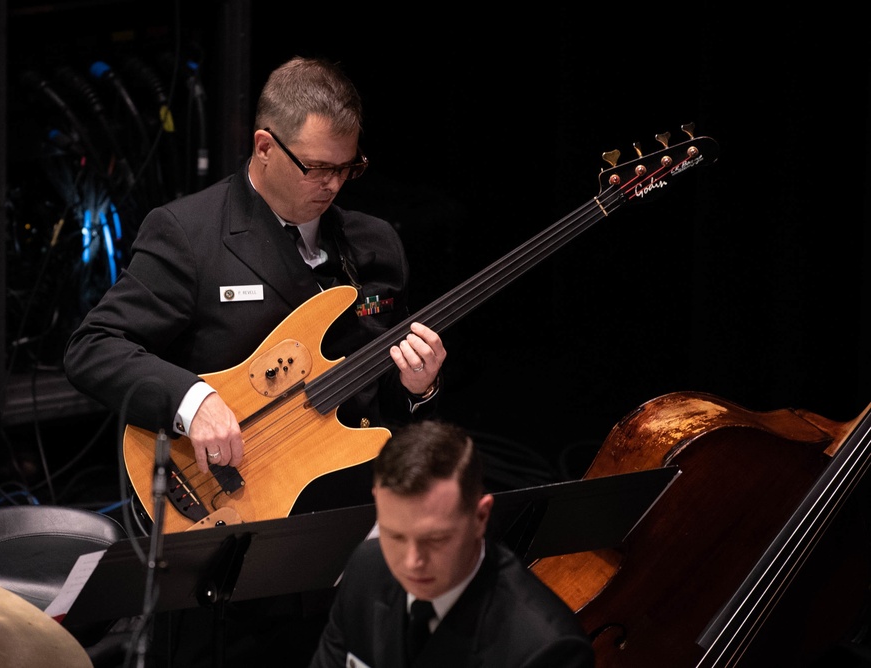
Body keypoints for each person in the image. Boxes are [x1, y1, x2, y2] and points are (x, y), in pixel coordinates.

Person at [62, 55, 446, 663]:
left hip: (348, 530)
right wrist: (194, 401)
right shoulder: (188, 234)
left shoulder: (374, 246)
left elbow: (381, 406)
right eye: (317, 168)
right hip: (230, 531)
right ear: (265, 147)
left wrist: (417, 388)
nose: (333, 186)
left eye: (348, 169)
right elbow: (93, 347)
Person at [308, 419, 595, 668]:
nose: (412, 561)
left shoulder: (546, 649)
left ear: (481, 516)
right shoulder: (367, 566)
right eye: (394, 535)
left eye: (435, 539)